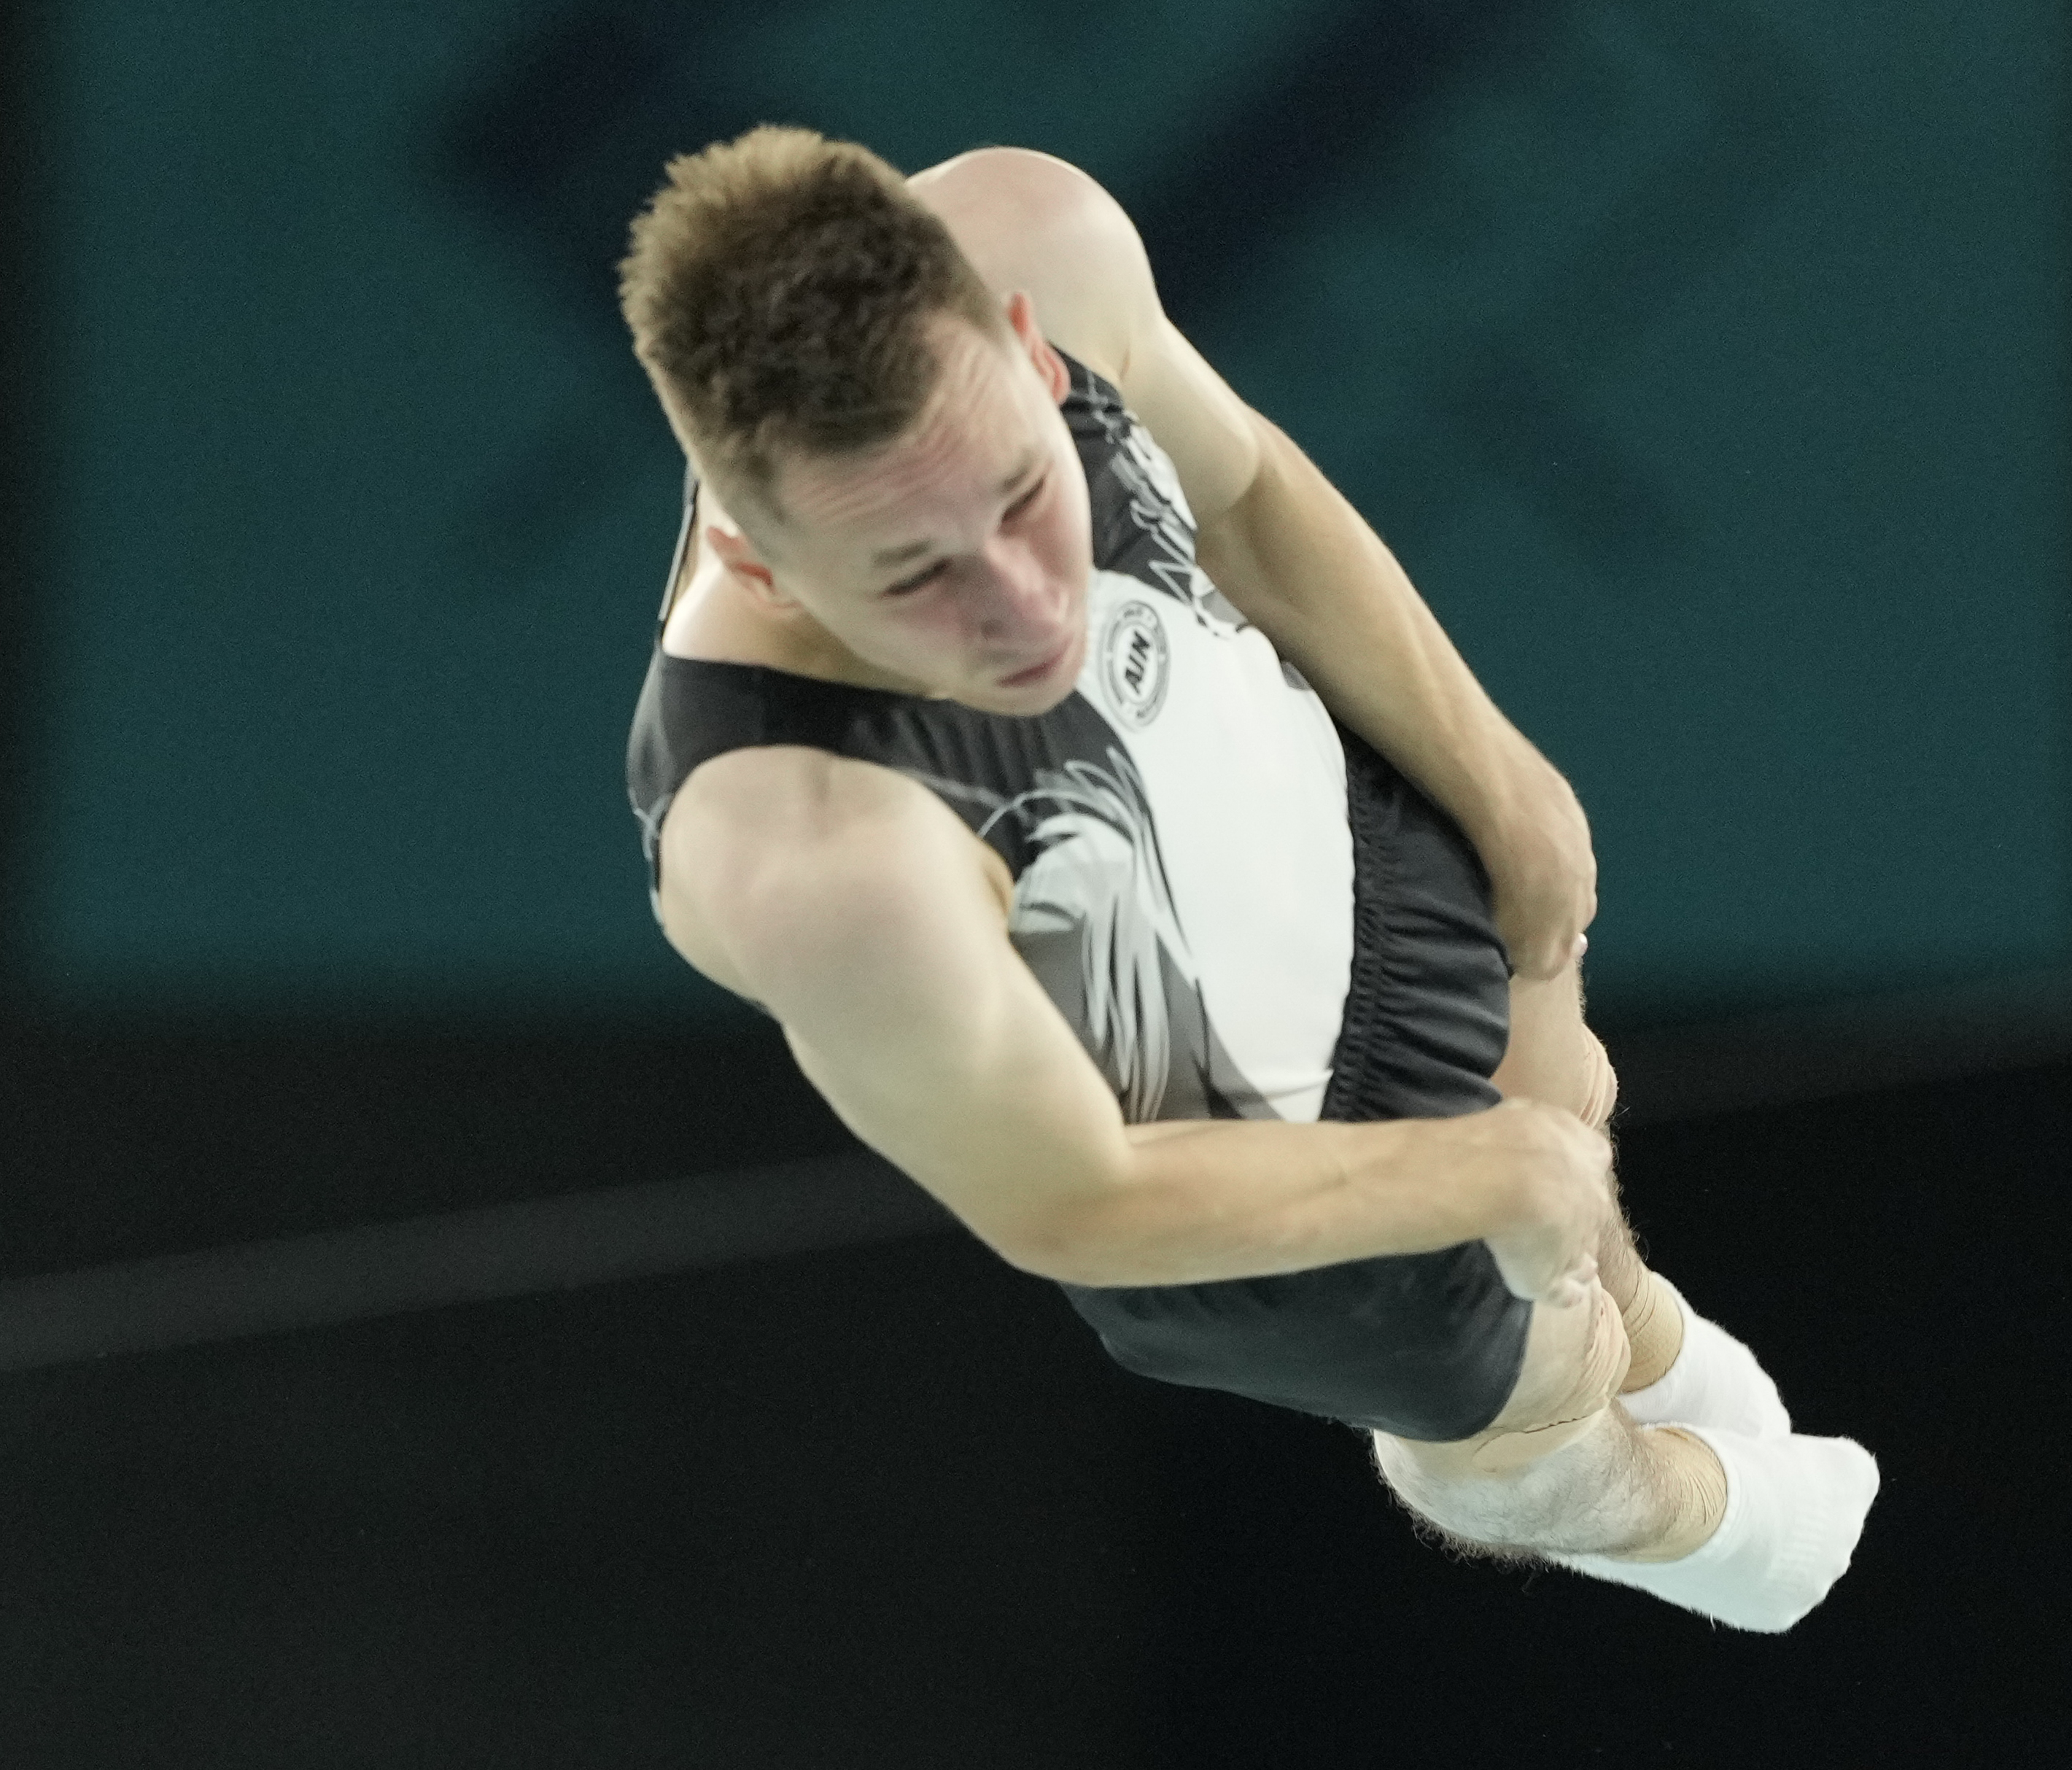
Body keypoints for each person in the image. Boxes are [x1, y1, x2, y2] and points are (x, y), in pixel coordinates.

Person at [620, 126, 1876, 1631]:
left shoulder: (1036, 237)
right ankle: (1739, 1547)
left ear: (1026, 342)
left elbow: (1247, 498)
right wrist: (1495, 1170)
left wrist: (1500, 784)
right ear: (758, 562)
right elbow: (1077, 1200)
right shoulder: (809, 852)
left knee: (1590, 1206)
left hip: (1339, 832)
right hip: (1248, 1170)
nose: (1025, 604)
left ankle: (1671, 1351)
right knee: (1532, 1431)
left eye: (1023, 493)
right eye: (915, 574)